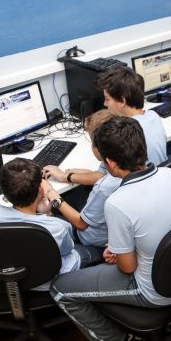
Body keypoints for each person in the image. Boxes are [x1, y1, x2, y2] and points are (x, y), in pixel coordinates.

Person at [49, 116, 171, 341]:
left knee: (61, 290)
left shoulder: (118, 202)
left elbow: (127, 267)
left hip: (152, 290)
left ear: (110, 162)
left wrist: (120, 254)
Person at [0, 158, 82, 284]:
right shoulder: (57, 227)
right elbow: (66, 251)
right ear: (41, 190)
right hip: (44, 283)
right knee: (81, 252)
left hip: (0, 279)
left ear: (4, 193)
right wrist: (48, 214)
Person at [41, 109, 128, 263]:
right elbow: (101, 175)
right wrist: (68, 175)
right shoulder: (124, 155)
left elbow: (81, 224)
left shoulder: (103, 188)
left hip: (91, 237)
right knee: (77, 192)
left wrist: (50, 191)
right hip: (115, 227)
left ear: (99, 146)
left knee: (48, 211)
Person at [96, 66, 168, 165]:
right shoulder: (153, 115)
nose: (105, 104)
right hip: (160, 172)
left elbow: (109, 166)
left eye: (107, 99)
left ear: (122, 101)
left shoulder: (126, 134)